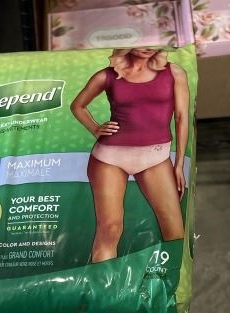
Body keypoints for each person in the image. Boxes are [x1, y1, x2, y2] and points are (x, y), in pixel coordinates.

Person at [70, 48, 189, 263]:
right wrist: (95, 128)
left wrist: (179, 164)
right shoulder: (106, 76)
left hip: (156, 158)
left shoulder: (174, 72)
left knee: (174, 230)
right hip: (109, 158)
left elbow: (181, 117)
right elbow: (78, 106)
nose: (147, 47)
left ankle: (172, 280)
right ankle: (104, 284)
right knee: (110, 228)